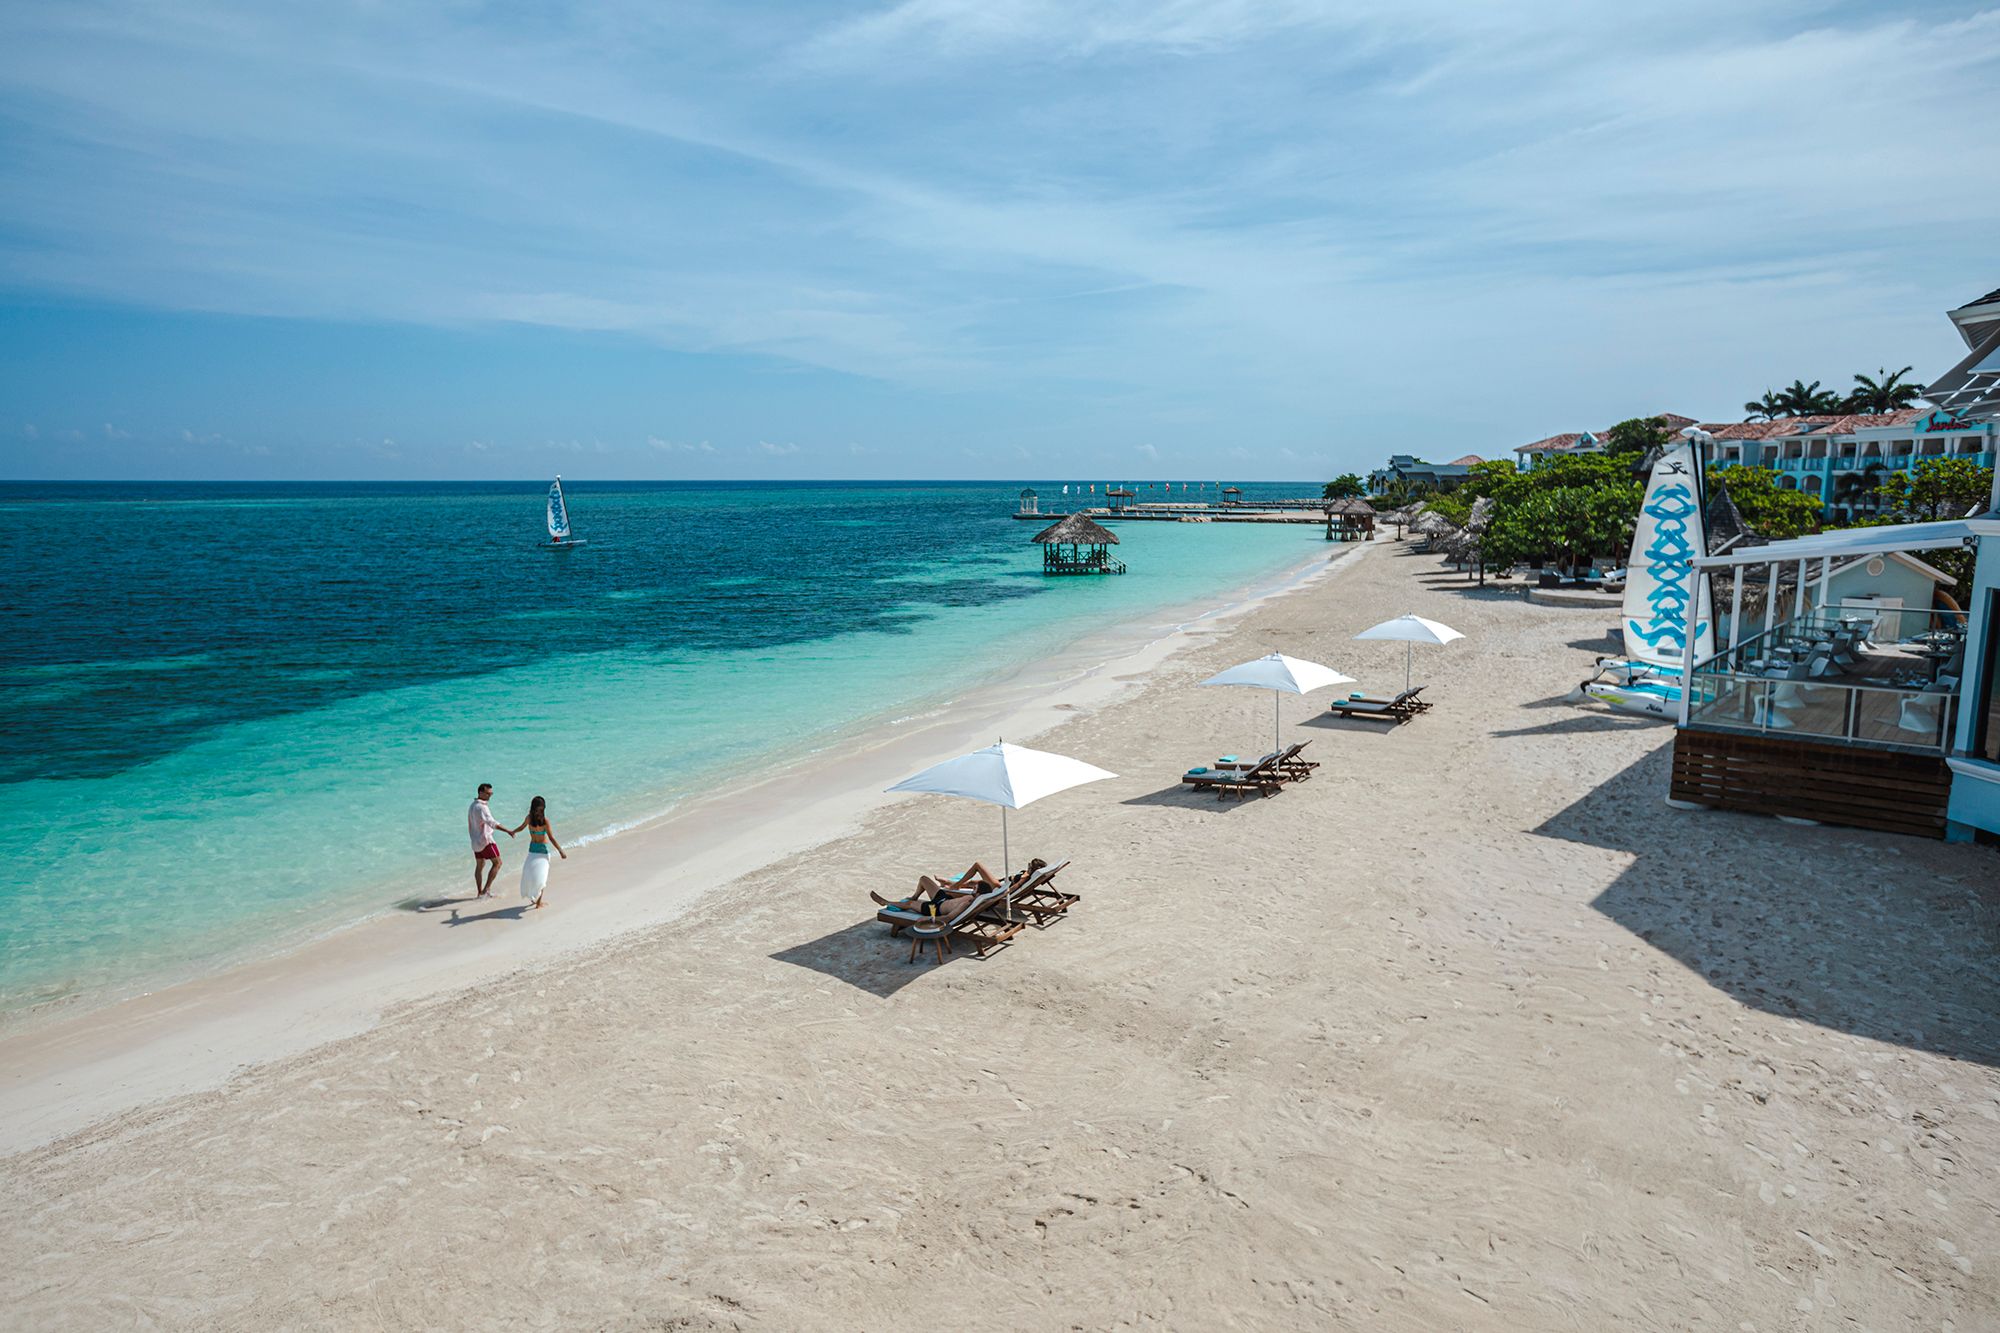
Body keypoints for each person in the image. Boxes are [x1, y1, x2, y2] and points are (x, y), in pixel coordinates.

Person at [871, 858, 1044, 914]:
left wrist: (1005, 891)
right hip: (944, 900)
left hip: (998, 888)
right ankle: (948, 885)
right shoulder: (972, 898)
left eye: (1030, 866)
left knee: (978, 866)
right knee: (925, 880)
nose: (1027, 867)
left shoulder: (968, 902)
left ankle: (887, 902)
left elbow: (948, 918)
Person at [507, 795, 566, 910]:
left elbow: (551, 837)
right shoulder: (529, 818)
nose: (539, 811)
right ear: (533, 808)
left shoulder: (545, 821)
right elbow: (522, 827)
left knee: (542, 877)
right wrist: (513, 831)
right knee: (528, 874)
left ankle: (539, 902)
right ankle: (533, 896)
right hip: (532, 850)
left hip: (543, 852)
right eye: (537, 808)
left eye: (541, 809)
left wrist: (560, 851)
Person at [467, 783, 510, 897]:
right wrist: (508, 831)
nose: (490, 796)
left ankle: (479, 892)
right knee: (498, 863)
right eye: (488, 794)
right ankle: (486, 890)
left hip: (475, 842)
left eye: (491, 794)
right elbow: (492, 823)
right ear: (481, 793)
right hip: (485, 841)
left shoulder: (472, 805)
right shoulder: (482, 807)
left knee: (479, 866)